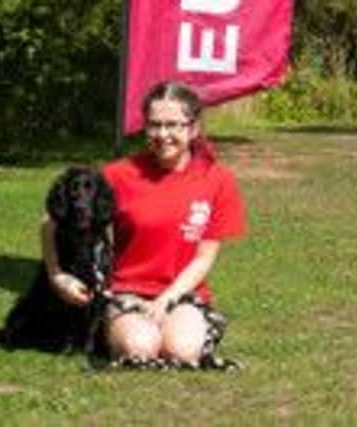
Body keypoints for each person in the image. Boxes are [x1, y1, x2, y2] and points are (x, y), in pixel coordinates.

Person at [41, 81, 247, 366]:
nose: (163, 135)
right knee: (140, 348)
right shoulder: (118, 175)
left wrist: (167, 299)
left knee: (182, 351)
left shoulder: (218, 180)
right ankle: (113, 327)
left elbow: (203, 258)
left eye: (173, 125)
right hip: (126, 291)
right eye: (154, 125)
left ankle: (192, 327)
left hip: (183, 292)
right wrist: (57, 276)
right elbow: (52, 221)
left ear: (194, 128)